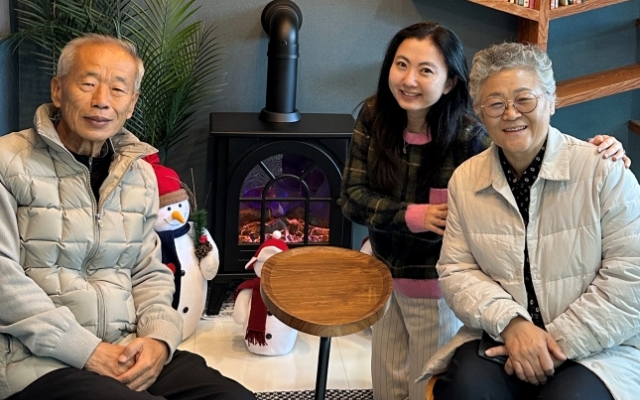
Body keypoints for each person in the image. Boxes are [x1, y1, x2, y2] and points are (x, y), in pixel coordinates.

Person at [340, 22, 630, 400]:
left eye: (426, 70)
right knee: (391, 384)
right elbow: (352, 197)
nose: (409, 80)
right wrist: (415, 215)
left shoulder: (472, 139)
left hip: (435, 287)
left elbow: (628, 273)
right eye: (401, 64)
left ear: (449, 82)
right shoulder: (379, 118)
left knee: (421, 384)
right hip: (392, 274)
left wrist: (604, 154)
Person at [0, 34, 255, 400]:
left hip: (124, 348)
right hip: (36, 361)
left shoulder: (140, 176)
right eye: (88, 84)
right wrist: (87, 351)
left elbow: (149, 272)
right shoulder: (8, 161)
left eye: (118, 89)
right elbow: (4, 281)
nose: (102, 101)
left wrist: (158, 340)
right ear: (58, 90)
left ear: (132, 104)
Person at [420, 42, 640, 400]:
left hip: (601, 345)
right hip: (501, 334)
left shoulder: (604, 171)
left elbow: (631, 276)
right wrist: (513, 325)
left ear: (552, 101)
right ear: (479, 112)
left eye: (525, 99)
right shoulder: (466, 180)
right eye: (495, 104)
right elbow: (457, 270)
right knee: (467, 390)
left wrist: (551, 343)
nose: (511, 114)